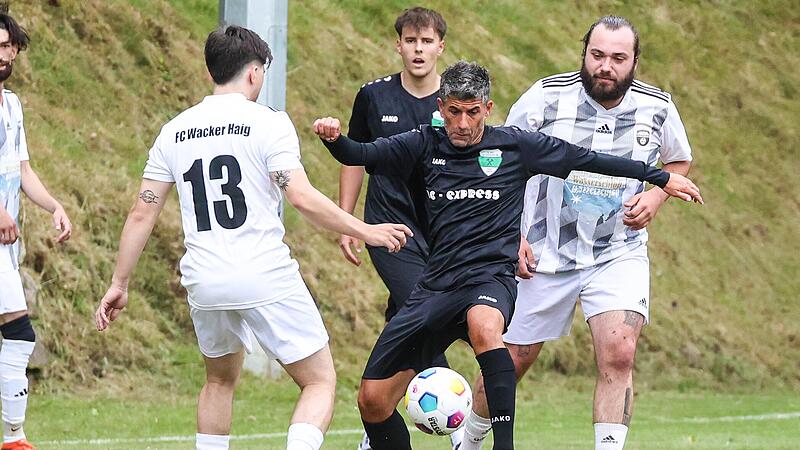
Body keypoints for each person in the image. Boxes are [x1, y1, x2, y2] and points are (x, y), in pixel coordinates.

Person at [313, 60, 701, 450]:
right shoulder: (423, 143)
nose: (462, 123)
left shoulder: (517, 146)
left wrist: (660, 177)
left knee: (485, 326)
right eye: (453, 112)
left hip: (490, 278)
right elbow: (359, 152)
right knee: (373, 401)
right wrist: (333, 138)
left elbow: (589, 160)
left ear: (488, 108)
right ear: (440, 108)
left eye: (472, 112)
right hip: (436, 285)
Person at [94, 26, 411, 450]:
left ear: (212, 72)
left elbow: (142, 212)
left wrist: (119, 283)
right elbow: (300, 196)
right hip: (263, 273)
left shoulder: (175, 130)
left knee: (218, 381)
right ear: (254, 73)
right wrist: (365, 229)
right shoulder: (268, 122)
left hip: (204, 280)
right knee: (319, 381)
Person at [459, 16, 695, 450]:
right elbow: (501, 159)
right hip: (541, 252)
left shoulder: (658, 107)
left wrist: (655, 197)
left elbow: (678, 161)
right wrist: (512, 234)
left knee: (620, 352)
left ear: (635, 61)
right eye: (597, 55)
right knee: (512, 360)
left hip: (617, 250)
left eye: (618, 58)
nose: (606, 66)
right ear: (584, 53)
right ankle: (470, 437)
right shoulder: (546, 97)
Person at [337, 7, 460, 449]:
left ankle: (377, 422)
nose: (418, 50)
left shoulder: (455, 103)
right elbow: (355, 157)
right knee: (427, 311)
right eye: (411, 41)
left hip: (443, 234)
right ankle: (459, 422)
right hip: (389, 230)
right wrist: (349, 221)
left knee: (403, 321)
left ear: (440, 47)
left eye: (426, 42)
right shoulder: (373, 97)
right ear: (398, 45)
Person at [0, 11, 72, 450]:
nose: (3, 54)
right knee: (19, 331)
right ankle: (15, 437)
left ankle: (13, 437)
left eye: (9, 46)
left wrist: (53, 206)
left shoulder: (12, 105)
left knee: (15, 333)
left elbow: (22, 169)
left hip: (6, 246)